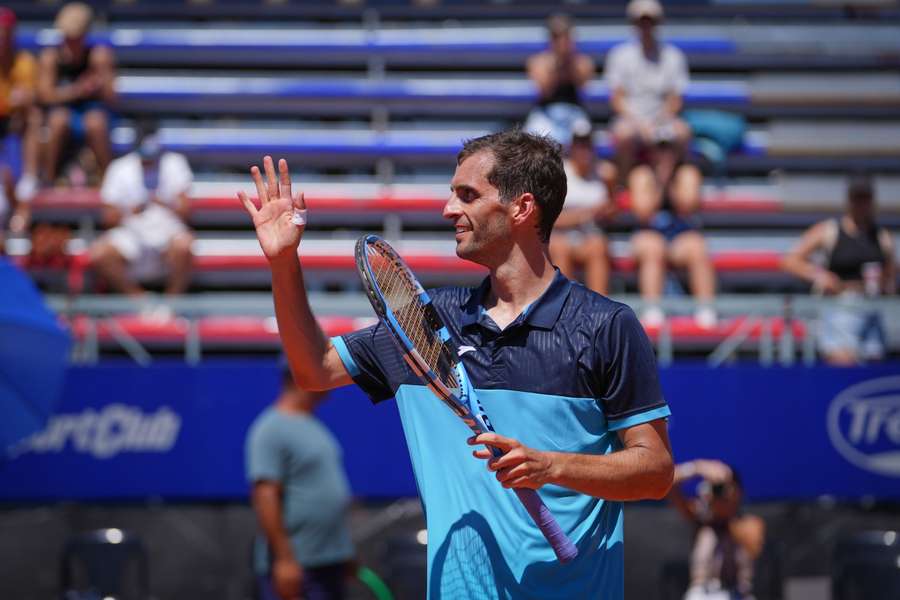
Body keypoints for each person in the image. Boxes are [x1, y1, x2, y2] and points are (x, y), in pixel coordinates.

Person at [237, 130, 674, 598]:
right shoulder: (425, 323)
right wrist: (283, 263)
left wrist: (552, 466)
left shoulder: (607, 326)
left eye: (467, 195)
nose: (448, 209)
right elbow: (315, 369)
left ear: (522, 208)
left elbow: (655, 471)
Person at [246, 368, 355, 600]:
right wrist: (285, 560)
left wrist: (343, 551)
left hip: (328, 563)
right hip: (297, 570)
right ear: (299, 378)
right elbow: (265, 495)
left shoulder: (313, 425)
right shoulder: (270, 428)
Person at [782, 175, 895, 365]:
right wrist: (820, 275)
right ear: (849, 201)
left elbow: (891, 272)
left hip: (871, 305)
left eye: (865, 199)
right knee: (843, 360)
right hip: (839, 305)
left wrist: (884, 283)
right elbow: (789, 260)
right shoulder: (829, 230)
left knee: (874, 362)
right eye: (857, 198)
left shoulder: (882, 237)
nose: (861, 204)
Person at [87, 124, 194, 317]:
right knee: (99, 253)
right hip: (131, 233)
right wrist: (130, 210)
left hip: (167, 229)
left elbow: (186, 211)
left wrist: (164, 203)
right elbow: (108, 217)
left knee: (184, 246)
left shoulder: (174, 163)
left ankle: (171, 307)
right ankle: (140, 303)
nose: (149, 162)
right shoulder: (120, 168)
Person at [38, 2, 116, 184]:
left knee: (95, 122)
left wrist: (99, 83)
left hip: (93, 111)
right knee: (58, 120)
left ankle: (109, 181)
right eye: (68, 36)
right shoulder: (50, 57)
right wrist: (77, 90)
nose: (71, 42)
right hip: (63, 111)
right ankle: (49, 180)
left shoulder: (99, 55)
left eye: (76, 37)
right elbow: (44, 95)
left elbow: (111, 96)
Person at [668, 460, 765, 600]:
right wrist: (697, 468)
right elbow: (668, 486)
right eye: (716, 489)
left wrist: (725, 511)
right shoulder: (700, 518)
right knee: (707, 536)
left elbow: (753, 547)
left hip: (738, 594)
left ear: (739, 492)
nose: (720, 494)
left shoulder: (749, 523)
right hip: (702, 594)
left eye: (724, 488)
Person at [550, 122, 617, 295]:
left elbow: (612, 210)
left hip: (590, 234)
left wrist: (607, 209)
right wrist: (587, 215)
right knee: (560, 247)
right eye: (579, 145)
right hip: (561, 235)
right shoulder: (559, 172)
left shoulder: (604, 172)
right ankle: (566, 306)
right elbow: (548, 218)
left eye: (587, 145)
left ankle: (599, 306)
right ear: (571, 147)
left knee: (598, 246)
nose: (583, 150)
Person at [524, 14, 595, 145]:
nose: (561, 41)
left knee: (583, 137)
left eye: (565, 36)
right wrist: (556, 63)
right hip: (545, 113)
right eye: (556, 36)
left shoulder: (582, 61)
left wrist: (568, 61)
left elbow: (582, 84)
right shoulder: (538, 61)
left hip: (575, 111)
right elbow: (545, 89)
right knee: (533, 140)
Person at [0, 7, 41, 230]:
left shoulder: (24, 62)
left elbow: (30, 97)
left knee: (33, 116)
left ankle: (28, 182)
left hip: (15, 127)